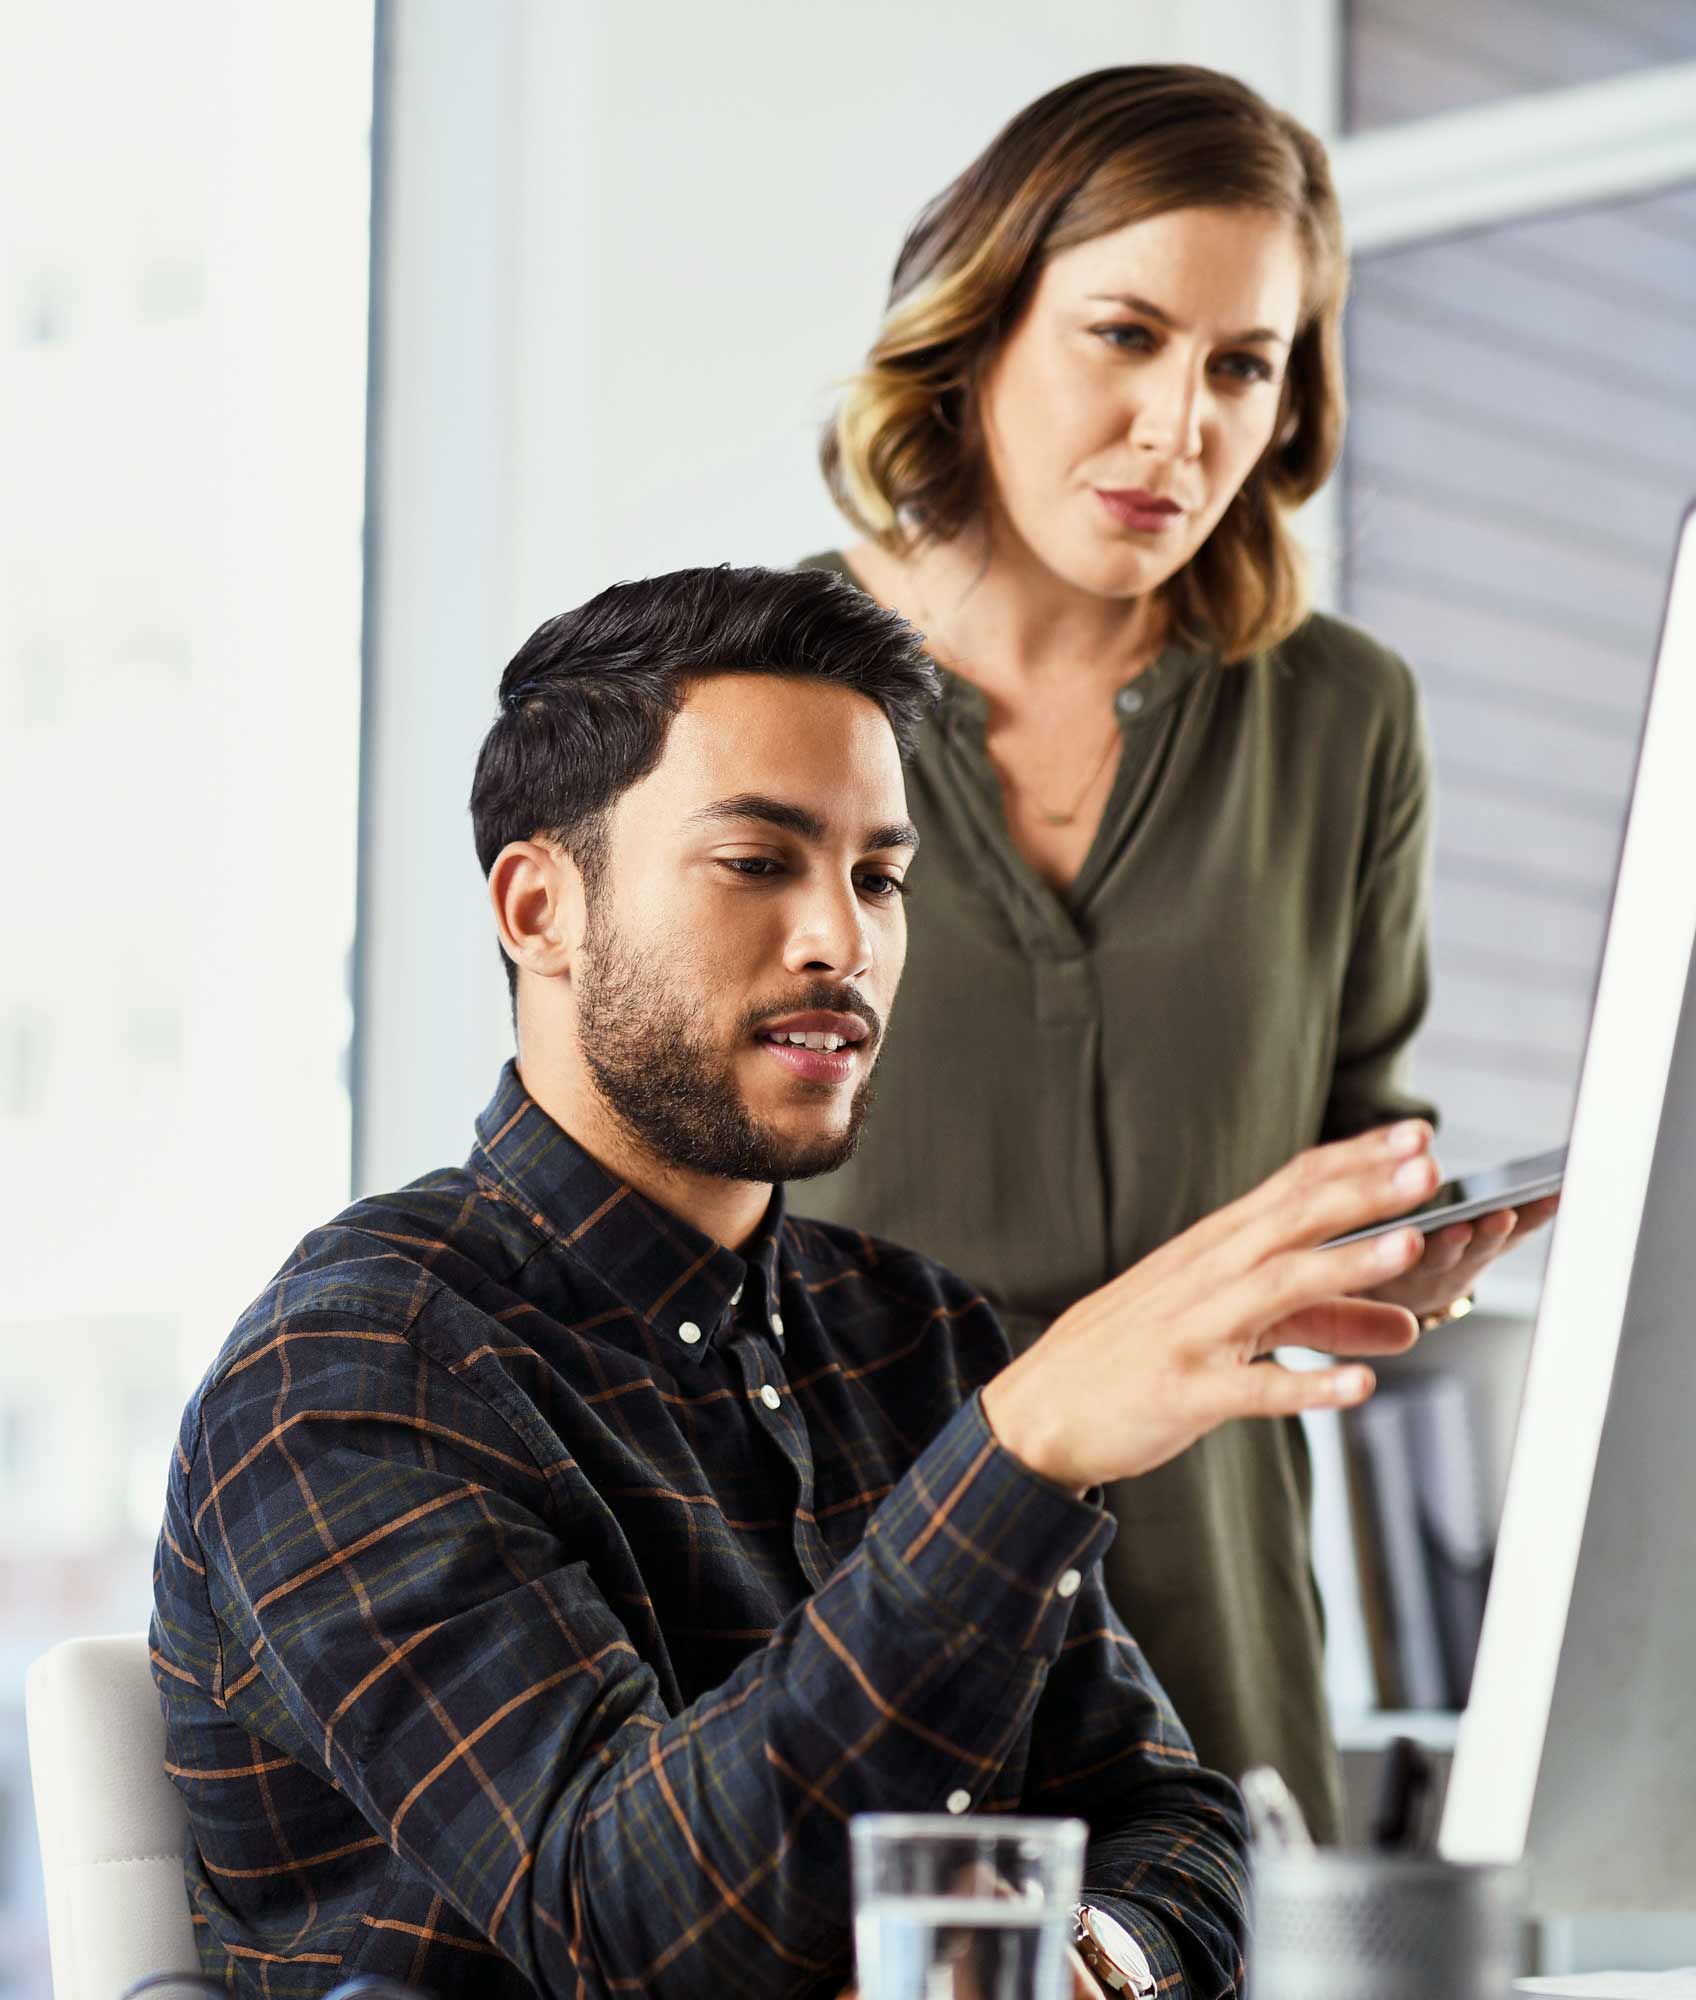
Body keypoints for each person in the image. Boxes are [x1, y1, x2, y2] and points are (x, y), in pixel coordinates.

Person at [151, 564, 1448, 2000]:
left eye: (879, 876)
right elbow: (622, 1924)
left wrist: (1087, 1959)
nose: (845, 941)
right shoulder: (353, 1367)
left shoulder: (914, 1336)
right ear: (539, 908)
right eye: (759, 863)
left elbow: (1182, 1826)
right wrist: (1017, 1462)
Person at [794, 64, 1552, 1838]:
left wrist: (1387, 1250)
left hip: (1221, 1667)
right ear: (980, 326)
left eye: (1242, 365)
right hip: (843, 1655)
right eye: (1124, 336)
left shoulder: (1341, 720)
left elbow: (1350, 1129)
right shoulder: (752, 702)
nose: (1178, 429)